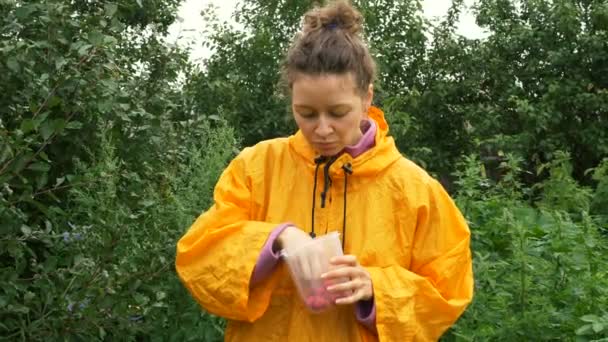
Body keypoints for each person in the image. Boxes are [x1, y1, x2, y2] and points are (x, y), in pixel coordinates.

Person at [175, 1, 473, 341]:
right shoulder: (256, 168)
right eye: (306, 113)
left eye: (337, 112)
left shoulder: (415, 189)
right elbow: (198, 258)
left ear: (366, 98)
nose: (322, 129)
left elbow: (448, 293)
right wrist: (275, 239)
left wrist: (376, 287)